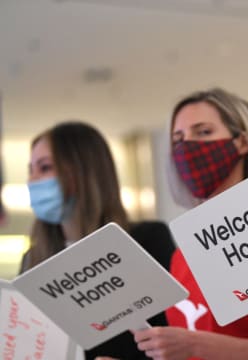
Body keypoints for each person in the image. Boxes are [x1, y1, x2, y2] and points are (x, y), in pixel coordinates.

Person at [132, 88, 248, 360]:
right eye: (178, 139)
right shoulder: (182, 255)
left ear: (242, 141)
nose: (187, 146)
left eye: (203, 132)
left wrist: (196, 345)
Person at [23, 121, 176, 360]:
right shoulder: (33, 259)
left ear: (82, 170)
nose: (32, 180)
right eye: (30, 169)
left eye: (44, 168)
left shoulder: (147, 239)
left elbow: (177, 335)